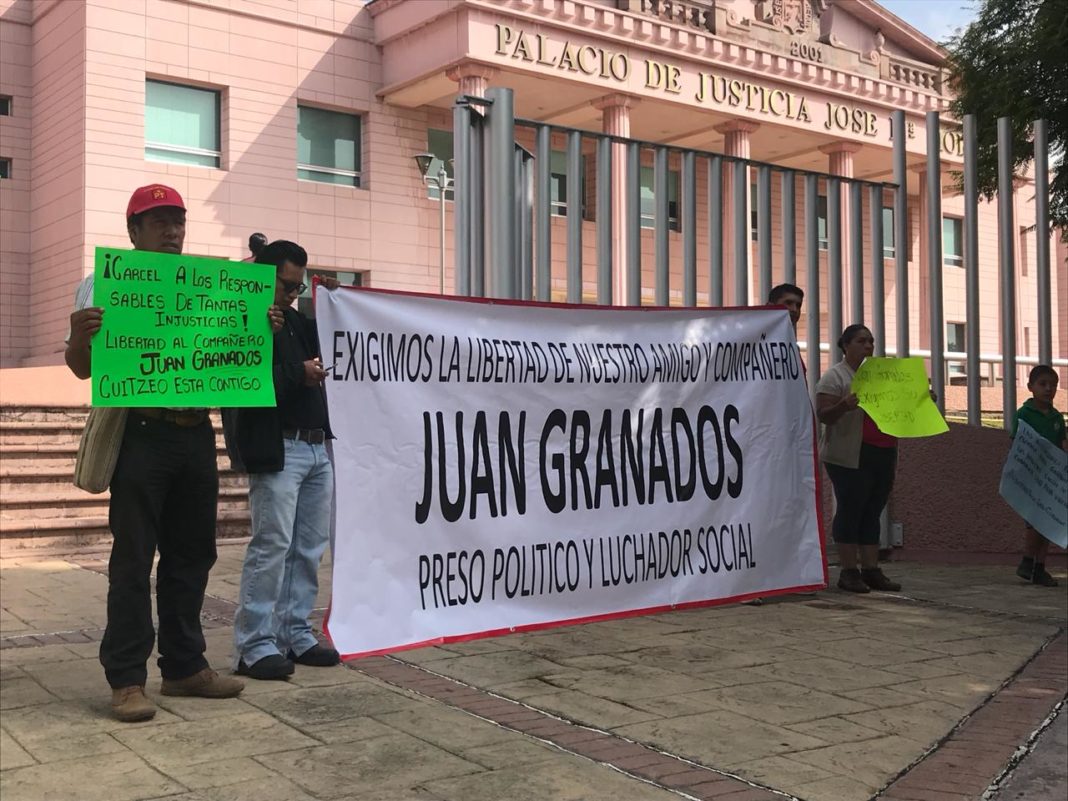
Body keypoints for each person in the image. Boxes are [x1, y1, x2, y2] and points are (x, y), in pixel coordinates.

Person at [65, 184, 282, 721]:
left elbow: (235, 360)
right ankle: (126, 679)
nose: (172, 232)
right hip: (140, 434)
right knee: (133, 559)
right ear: (133, 230)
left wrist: (263, 326)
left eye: (178, 222)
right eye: (158, 222)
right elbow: (82, 369)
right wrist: (78, 336)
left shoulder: (212, 288)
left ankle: (185, 667)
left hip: (194, 435)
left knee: (192, 556)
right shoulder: (103, 284)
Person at [225, 240, 340, 679]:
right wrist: (296, 370)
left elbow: (329, 340)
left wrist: (330, 300)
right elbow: (242, 379)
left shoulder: (293, 318)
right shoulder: (241, 319)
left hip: (314, 444)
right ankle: (255, 643)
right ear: (262, 277)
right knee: (272, 546)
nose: (291, 295)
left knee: (308, 546)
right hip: (279, 446)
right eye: (286, 286)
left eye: (297, 288)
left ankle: (295, 632)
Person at [814, 324, 902, 594]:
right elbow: (823, 415)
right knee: (852, 508)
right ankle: (849, 571)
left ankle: (871, 569)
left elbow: (898, 403)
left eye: (871, 342)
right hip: (848, 454)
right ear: (846, 345)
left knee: (873, 510)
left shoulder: (880, 376)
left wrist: (921, 400)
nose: (868, 346)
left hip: (882, 450)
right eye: (862, 341)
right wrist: (844, 405)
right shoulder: (835, 377)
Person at [745, 282, 807, 607]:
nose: (793, 310)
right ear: (771, 304)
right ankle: (750, 581)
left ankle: (787, 575)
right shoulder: (754, 340)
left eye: (797, 304)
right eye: (787, 303)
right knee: (757, 512)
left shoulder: (791, 347)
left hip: (789, 446)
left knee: (788, 511)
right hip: (759, 446)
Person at [1011, 365, 1066, 587]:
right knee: (1034, 522)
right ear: (1030, 387)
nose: (1048, 389)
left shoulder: (1056, 417)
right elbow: (1017, 443)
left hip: (1050, 478)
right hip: (1031, 476)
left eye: (1052, 385)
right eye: (1043, 384)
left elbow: (1059, 446)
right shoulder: (1024, 414)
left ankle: (1039, 567)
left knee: (1047, 522)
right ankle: (1027, 560)